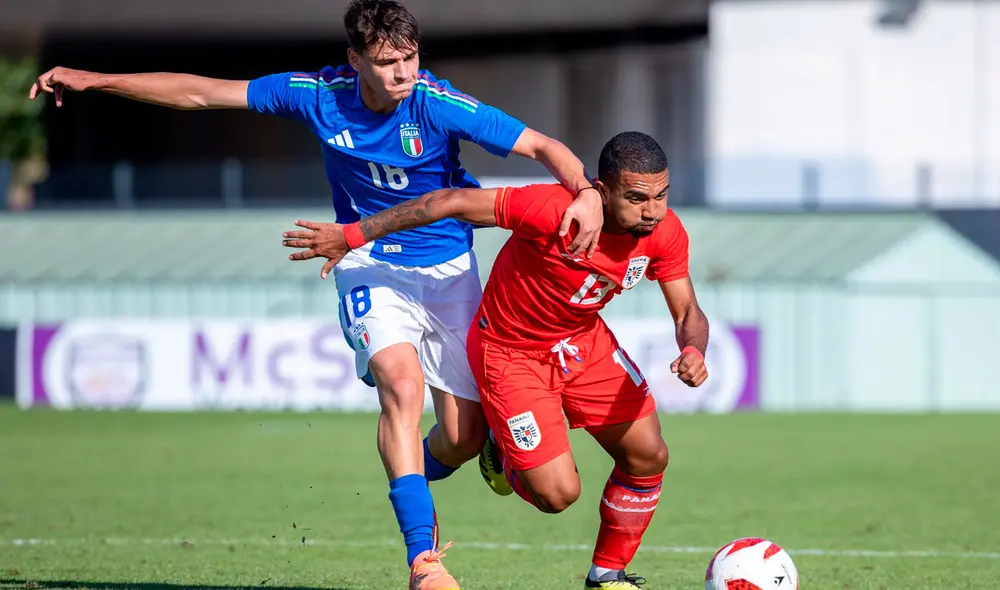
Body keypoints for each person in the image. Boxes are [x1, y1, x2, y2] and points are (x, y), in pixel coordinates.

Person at [29, 2, 604, 588]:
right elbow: (201, 92)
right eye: (387, 62)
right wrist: (94, 80)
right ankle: (423, 561)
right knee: (401, 391)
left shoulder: (437, 102)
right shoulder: (315, 94)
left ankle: (408, 474)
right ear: (354, 60)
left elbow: (542, 146)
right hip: (367, 262)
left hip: (450, 271)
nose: (404, 73)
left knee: (460, 438)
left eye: (410, 58)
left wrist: (584, 190)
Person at [282, 131, 711, 588]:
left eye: (662, 195)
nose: (653, 210)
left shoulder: (664, 232)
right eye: (637, 198)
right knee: (558, 494)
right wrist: (354, 233)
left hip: (583, 344)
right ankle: (497, 449)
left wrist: (692, 348)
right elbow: (449, 202)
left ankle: (607, 574)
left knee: (649, 455)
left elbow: (687, 310)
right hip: (512, 355)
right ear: (601, 191)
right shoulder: (551, 209)